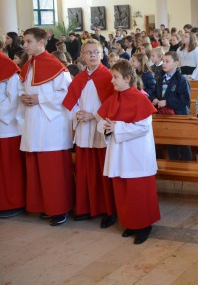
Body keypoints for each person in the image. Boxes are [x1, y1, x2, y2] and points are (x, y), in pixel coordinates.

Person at [97, 60, 160, 244]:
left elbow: (143, 127)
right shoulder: (113, 98)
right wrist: (107, 127)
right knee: (123, 189)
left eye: (115, 78)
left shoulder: (140, 98)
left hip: (136, 153)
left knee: (138, 190)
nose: (112, 81)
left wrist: (116, 126)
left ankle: (144, 225)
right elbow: (102, 121)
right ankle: (131, 223)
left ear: (127, 78)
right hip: (119, 151)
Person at [18, 27, 74, 226]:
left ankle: (59, 209)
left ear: (41, 42)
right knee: (38, 168)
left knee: (53, 170)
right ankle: (45, 205)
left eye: (28, 41)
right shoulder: (29, 65)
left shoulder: (56, 66)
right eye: (24, 42)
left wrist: (39, 98)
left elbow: (68, 95)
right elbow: (22, 89)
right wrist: (23, 97)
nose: (24, 45)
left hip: (52, 126)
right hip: (34, 123)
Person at [61, 39, 116, 228]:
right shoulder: (79, 78)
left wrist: (94, 115)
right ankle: (85, 207)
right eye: (88, 52)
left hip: (100, 129)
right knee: (85, 170)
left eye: (96, 52)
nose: (92, 55)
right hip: (84, 128)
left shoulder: (109, 76)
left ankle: (108, 210)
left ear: (102, 54)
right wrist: (78, 114)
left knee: (103, 170)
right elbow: (70, 102)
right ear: (82, 56)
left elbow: (112, 104)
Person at [0, 51, 26, 218]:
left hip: (6, 126)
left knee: (9, 167)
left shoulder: (8, 67)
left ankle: (12, 203)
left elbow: (15, 98)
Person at [153, 51, 191, 161]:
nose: (164, 63)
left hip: (179, 115)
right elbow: (156, 93)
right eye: (163, 61)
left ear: (176, 64)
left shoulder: (181, 79)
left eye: (167, 61)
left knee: (182, 142)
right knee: (170, 141)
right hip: (165, 115)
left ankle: (186, 165)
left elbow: (185, 100)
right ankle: (174, 163)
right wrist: (154, 98)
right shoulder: (161, 78)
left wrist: (167, 102)